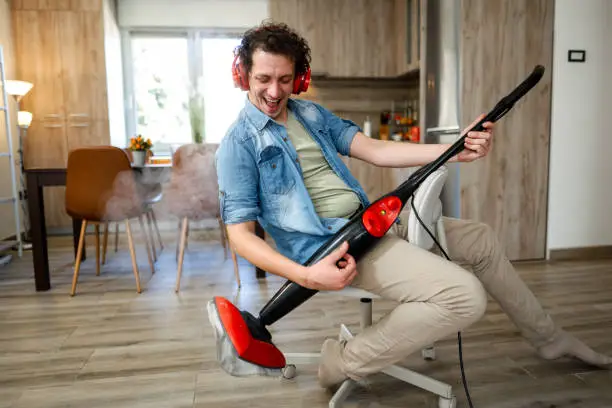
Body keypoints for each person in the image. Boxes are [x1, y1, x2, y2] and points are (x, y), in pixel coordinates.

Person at [215, 21, 611, 389]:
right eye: (263, 79)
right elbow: (241, 238)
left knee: (481, 240)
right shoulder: (238, 144)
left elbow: (373, 149)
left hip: (369, 223)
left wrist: (459, 150)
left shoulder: (309, 113)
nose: (274, 91)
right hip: (332, 250)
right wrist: (307, 276)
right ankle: (341, 362)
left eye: (285, 79)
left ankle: (549, 338)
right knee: (464, 297)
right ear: (243, 75)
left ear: (298, 78)